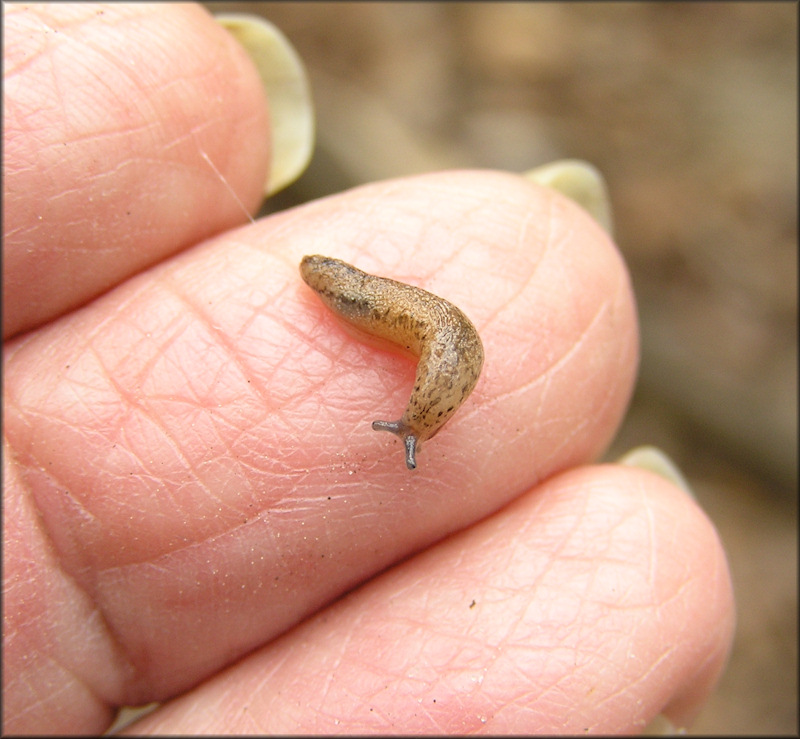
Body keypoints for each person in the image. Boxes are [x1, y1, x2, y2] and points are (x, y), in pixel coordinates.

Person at [3, 4, 734, 734]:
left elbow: (453, 342)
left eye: (430, 406)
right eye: (427, 407)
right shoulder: (368, 304)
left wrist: (417, 416)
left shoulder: (436, 337)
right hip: (371, 299)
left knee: (442, 333)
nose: (426, 403)